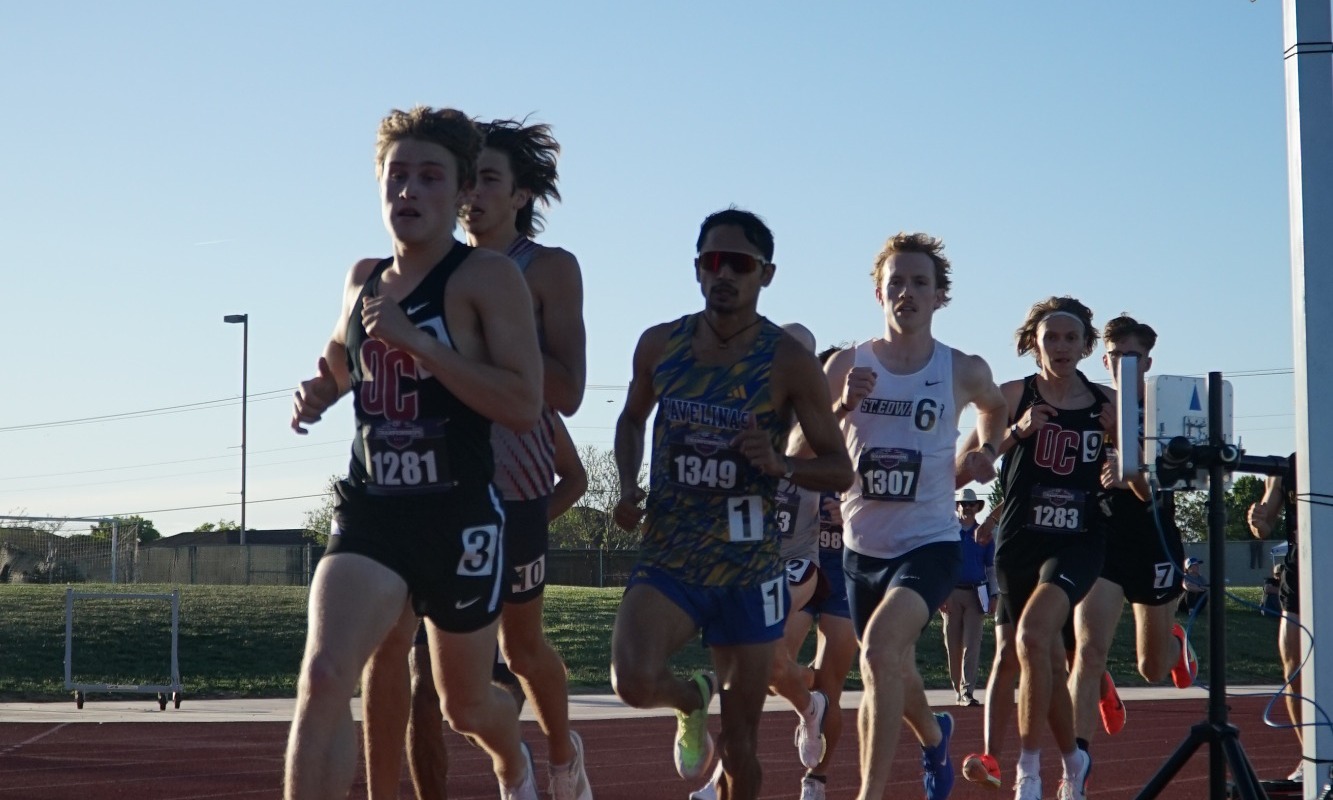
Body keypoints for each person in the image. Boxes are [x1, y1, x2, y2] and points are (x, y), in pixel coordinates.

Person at [285, 106, 544, 800]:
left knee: (465, 708)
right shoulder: (362, 278)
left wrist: (422, 343)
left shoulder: (485, 278)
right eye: (397, 176)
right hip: (373, 511)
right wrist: (321, 390)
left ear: (461, 193)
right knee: (323, 676)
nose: (409, 191)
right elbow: (343, 361)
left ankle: (512, 754)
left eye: (430, 177)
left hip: (458, 517)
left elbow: (523, 403)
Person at [359, 116, 590, 800]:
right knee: (414, 673)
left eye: (488, 180)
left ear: (519, 194)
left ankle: (558, 754)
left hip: (513, 488)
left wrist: (486, 337)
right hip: (428, 486)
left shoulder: (546, 268)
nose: (471, 196)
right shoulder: (430, 265)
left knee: (517, 654)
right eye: (469, 180)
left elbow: (570, 392)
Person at [610, 208, 854, 800]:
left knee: (742, 749)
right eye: (711, 261)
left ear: (764, 274)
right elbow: (630, 419)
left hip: (746, 568)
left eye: (738, 264)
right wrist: (625, 487)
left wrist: (782, 465)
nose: (723, 274)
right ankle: (691, 696)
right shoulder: (661, 343)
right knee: (633, 681)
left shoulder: (787, 361)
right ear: (697, 269)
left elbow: (840, 469)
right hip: (671, 553)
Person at [824, 232, 1007, 800]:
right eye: (896, 282)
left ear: (938, 296)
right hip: (861, 549)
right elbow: (806, 445)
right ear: (879, 293)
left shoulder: (960, 368)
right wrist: (841, 407)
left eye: (919, 282)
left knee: (878, 650)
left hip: (929, 544)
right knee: (890, 669)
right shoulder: (844, 365)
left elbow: (995, 408)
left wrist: (986, 451)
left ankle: (869, 795)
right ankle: (935, 736)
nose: (907, 292)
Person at [397, 415, 587, 800]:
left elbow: (575, 477)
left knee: (518, 661)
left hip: (508, 545)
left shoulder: (518, 385)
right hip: (442, 549)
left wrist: (527, 523)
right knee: (426, 691)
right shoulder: (428, 378)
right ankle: (510, 763)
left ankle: (544, 757)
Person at [986, 296, 1110, 800]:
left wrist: (1120, 461)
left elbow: (1141, 482)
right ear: (1033, 342)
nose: (1060, 346)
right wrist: (1017, 432)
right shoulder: (1012, 394)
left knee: (1034, 638)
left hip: (1079, 537)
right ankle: (1074, 761)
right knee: (1047, 659)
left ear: (1085, 345)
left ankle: (1028, 773)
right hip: (1019, 540)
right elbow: (974, 458)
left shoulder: (1107, 404)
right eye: (1050, 337)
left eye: (1070, 337)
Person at [1067, 314, 1197, 769]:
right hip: (1102, 541)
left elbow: (1171, 484)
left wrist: (1133, 473)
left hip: (1153, 540)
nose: (1123, 364)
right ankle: (1075, 767)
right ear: (1103, 359)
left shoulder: (1166, 411)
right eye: (1115, 356)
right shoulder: (1089, 406)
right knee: (1087, 650)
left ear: (1147, 362)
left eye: (1132, 357)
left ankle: (1176, 642)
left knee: (1152, 669)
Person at [1249, 452, 1304, 783]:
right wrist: (1258, 520)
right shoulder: (1288, 466)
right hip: (1301, 568)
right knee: (1293, 666)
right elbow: (1266, 524)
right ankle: (1311, 756)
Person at [942, 488, 997, 708]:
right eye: (963, 503)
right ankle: (958, 688)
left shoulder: (984, 534)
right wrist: (940, 593)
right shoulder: (948, 533)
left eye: (971, 504)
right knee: (952, 644)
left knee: (971, 644)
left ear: (977, 508)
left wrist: (994, 595)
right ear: (958, 507)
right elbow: (942, 566)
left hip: (976, 593)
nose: (967, 507)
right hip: (951, 592)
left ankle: (968, 690)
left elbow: (990, 567)